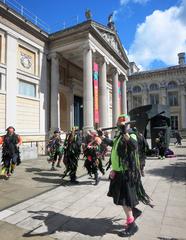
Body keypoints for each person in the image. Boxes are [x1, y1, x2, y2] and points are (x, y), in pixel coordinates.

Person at [102, 114, 152, 237]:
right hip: (119, 172)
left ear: (128, 124)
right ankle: (135, 211)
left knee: (124, 199)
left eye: (122, 122)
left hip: (126, 173)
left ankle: (132, 225)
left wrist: (125, 132)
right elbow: (113, 144)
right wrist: (101, 137)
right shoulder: (119, 136)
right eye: (119, 122)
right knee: (120, 197)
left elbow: (134, 145)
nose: (120, 124)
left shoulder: (131, 133)